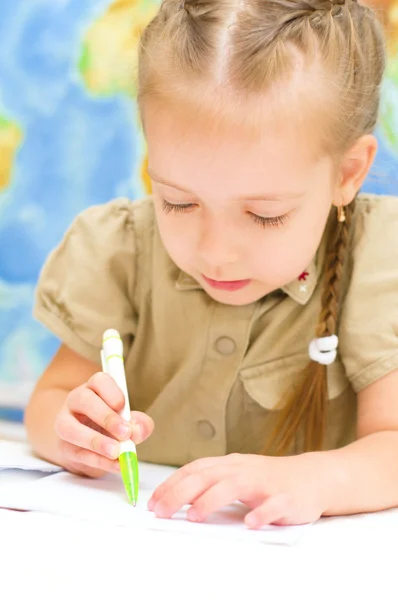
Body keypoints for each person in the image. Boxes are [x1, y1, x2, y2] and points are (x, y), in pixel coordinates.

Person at [25, 0, 398, 528]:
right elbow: (50, 405)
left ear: (349, 172)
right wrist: (75, 433)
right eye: (178, 201)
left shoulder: (380, 257)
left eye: (264, 215)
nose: (215, 250)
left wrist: (317, 479)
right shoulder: (118, 248)